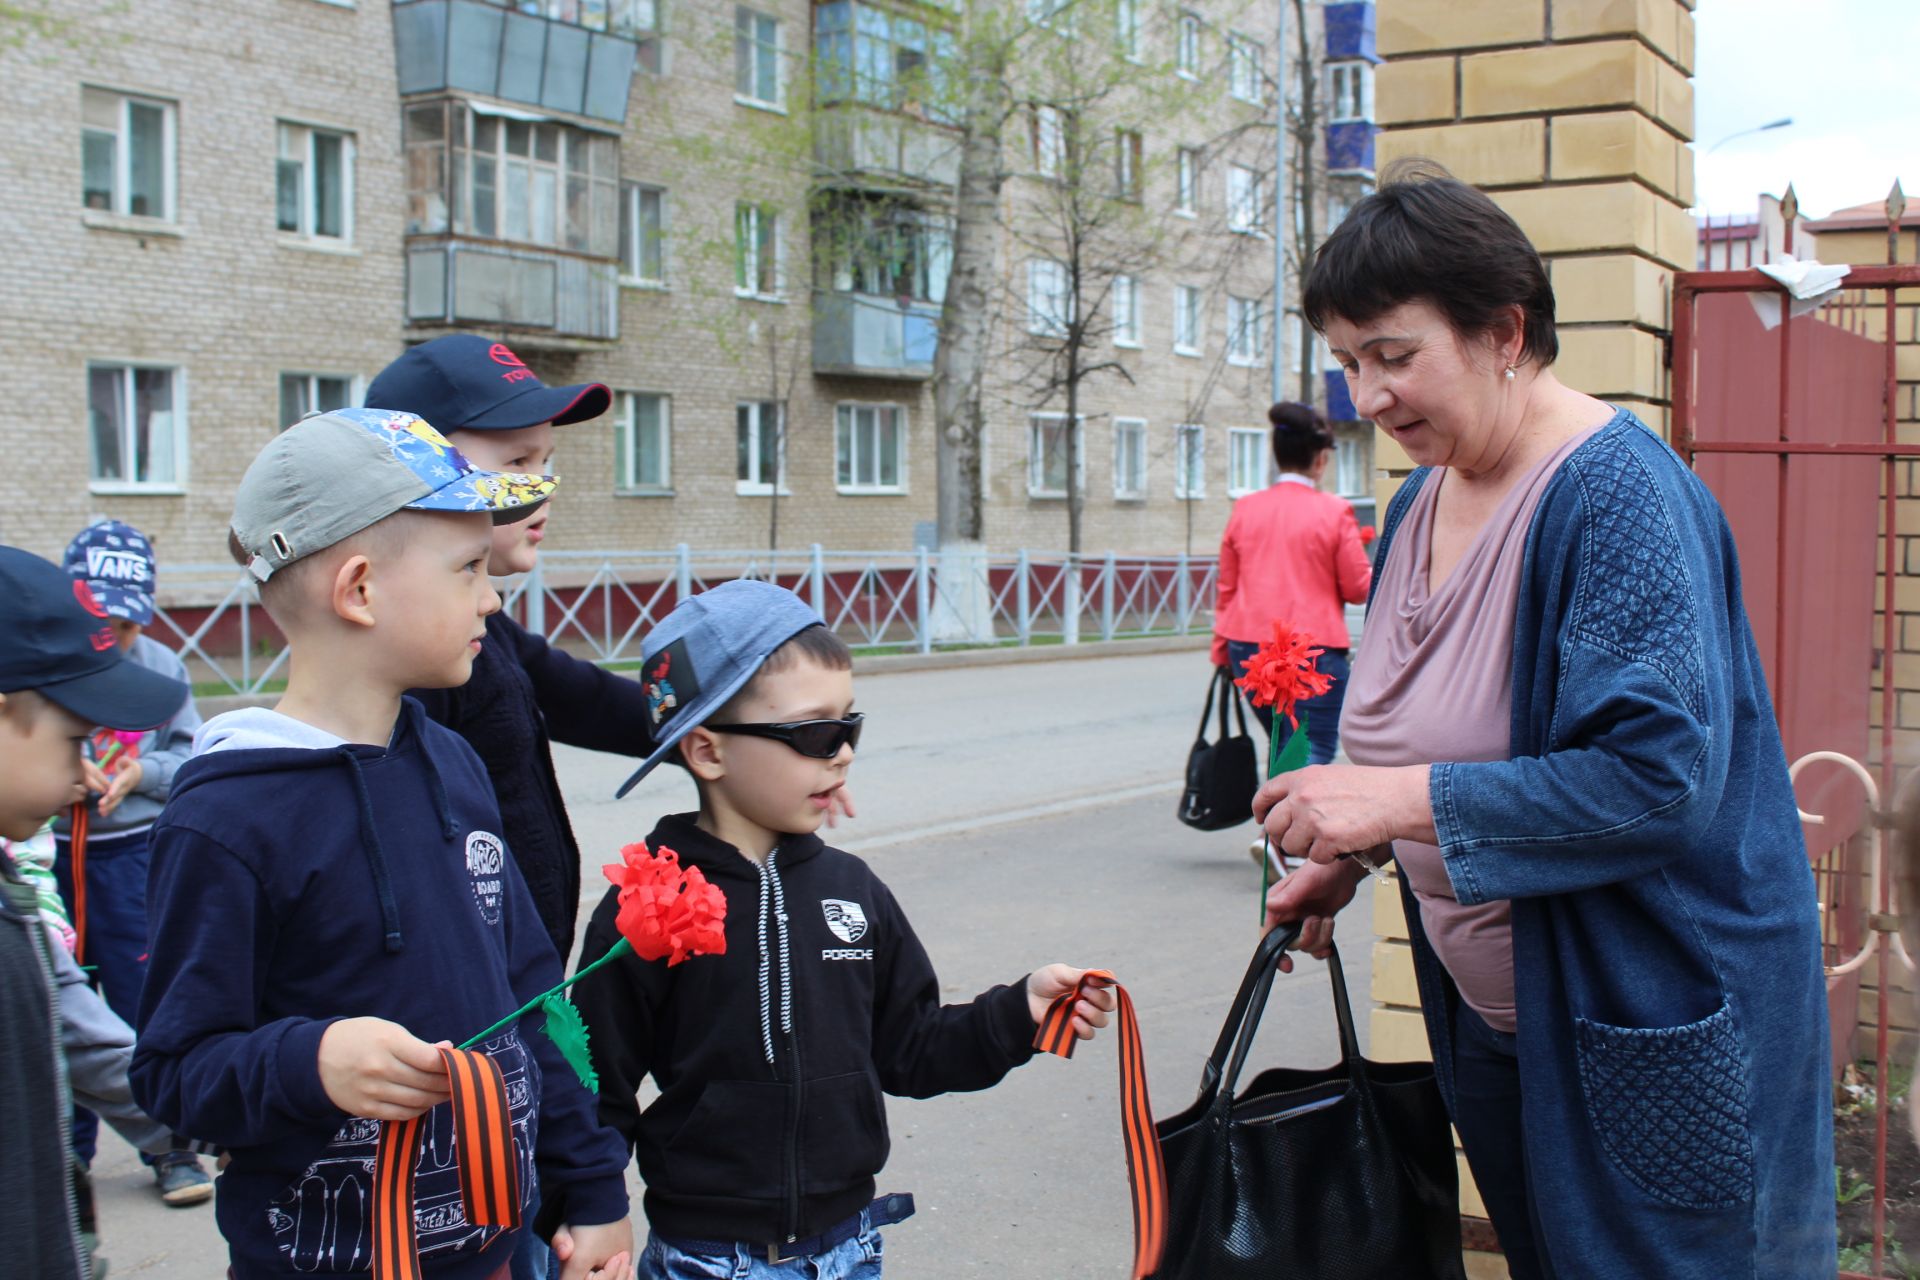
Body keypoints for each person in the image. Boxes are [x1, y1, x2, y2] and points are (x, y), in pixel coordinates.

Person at [1257, 163, 1834, 1278]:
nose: (1366, 396)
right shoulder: (1423, 495)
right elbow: (1449, 734)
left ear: (1503, 332)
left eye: (1392, 354)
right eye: (1346, 362)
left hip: (1643, 1016)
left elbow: (1655, 779)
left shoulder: (1615, 498)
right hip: (1504, 1017)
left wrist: (1394, 798)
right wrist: (1360, 845)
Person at [129, 408, 634, 1280]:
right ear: (359, 590)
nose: (491, 595)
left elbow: (527, 995)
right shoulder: (226, 817)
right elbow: (175, 1071)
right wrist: (308, 1060)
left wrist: (590, 1187)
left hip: (497, 1252)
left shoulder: (454, 762)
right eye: (469, 568)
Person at [570, 580, 1115, 1280]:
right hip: (707, 1257)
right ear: (707, 752)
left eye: (849, 727)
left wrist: (1017, 1014)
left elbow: (910, 1047)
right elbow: (592, 1082)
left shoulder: (853, 892)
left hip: (849, 1247)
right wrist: (588, 1209)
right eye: (816, 733)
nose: (844, 753)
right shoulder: (646, 900)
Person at [364, 335, 854, 976]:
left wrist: (771, 740)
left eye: (545, 461)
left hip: (516, 980)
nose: (542, 486)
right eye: (517, 461)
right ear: (414, 472)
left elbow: (592, 701)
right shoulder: (420, 657)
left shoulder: (488, 633)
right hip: (464, 998)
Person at [0, 544, 208, 1280]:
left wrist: (227, 1112)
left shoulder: (13, 888)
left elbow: (83, 1035)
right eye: (73, 740)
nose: (84, 767)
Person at [47, 519, 213, 1206]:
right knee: (64, 1005)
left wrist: (138, 772)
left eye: (126, 623)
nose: (112, 637)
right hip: (52, 857)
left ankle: (170, 1148)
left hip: (134, 860)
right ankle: (68, 1156)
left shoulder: (162, 670)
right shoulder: (45, 662)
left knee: (143, 998)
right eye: (97, 619)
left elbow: (193, 760)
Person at [1210, 402, 1372, 767]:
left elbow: (1228, 587)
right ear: (1320, 460)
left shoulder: (1246, 508)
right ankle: (1282, 824)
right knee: (1309, 754)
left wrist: (1222, 649)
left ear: (1276, 453)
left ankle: (1276, 822)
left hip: (1248, 650)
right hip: (1311, 652)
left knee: (1281, 750)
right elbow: (1358, 588)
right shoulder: (1334, 511)